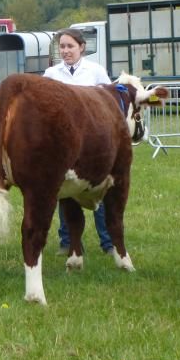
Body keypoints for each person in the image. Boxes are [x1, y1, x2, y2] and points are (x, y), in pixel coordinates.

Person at [44, 27, 114, 256]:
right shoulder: (51, 74)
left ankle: (108, 242)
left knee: (98, 189)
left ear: (82, 47)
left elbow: (109, 101)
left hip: (93, 141)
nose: (65, 51)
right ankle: (67, 241)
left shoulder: (96, 71)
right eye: (62, 46)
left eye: (70, 46)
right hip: (64, 141)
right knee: (66, 190)